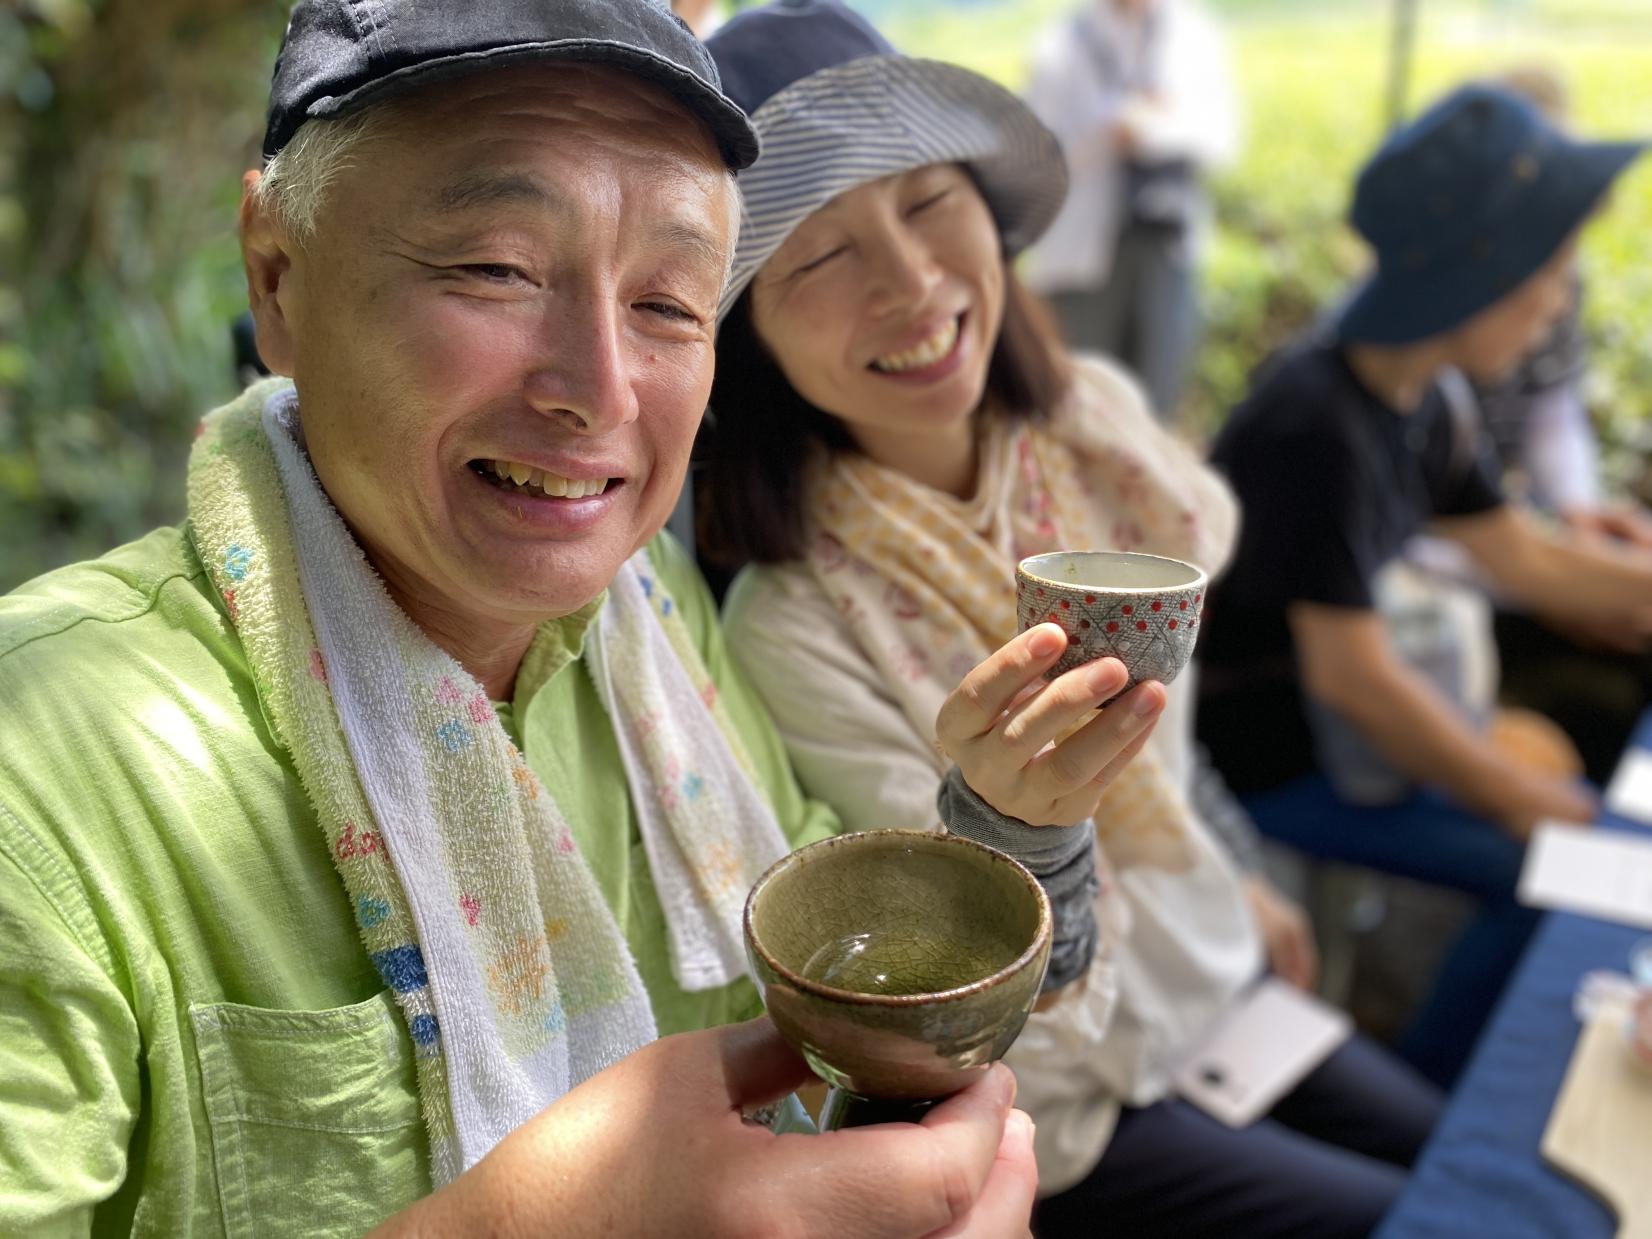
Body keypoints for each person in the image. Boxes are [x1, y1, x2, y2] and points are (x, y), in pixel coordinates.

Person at [0, 1, 1165, 1232]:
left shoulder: (651, 630)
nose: (597, 391)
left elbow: (837, 962)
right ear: (276, 278)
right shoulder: (48, 775)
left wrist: (1013, 820)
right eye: (496, 268)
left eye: (669, 303)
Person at [700, 4, 1441, 1235]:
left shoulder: (1092, 433)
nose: (912, 281)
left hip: (1209, 969)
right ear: (747, 337)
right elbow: (957, 985)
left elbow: (1171, 729)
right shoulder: (797, 621)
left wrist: (1232, 867)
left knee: (1486, 1159)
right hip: (1062, 1092)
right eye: (817, 255)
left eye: (931, 203)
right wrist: (1018, 824)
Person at [1198, 83, 1651, 1085]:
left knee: (1571, 821)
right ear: (1474, 271)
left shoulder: (1425, 396)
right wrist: (1524, 801)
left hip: (1352, 737)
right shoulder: (1313, 422)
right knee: (1547, 874)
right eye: (1549, 268)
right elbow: (1353, 678)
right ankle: (1426, 1092)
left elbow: (1527, 559)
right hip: (1268, 763)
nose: (1555, 300)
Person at [1020, 0, 1239, 420]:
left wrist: (1154, 129)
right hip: (1082, 256)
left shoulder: (1194, 34)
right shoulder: (1061, 44)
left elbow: (1222, 136)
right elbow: (1037, 155)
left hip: (1166, 243)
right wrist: (1110, 131)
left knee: (1156, 394)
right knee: (1084, 400)